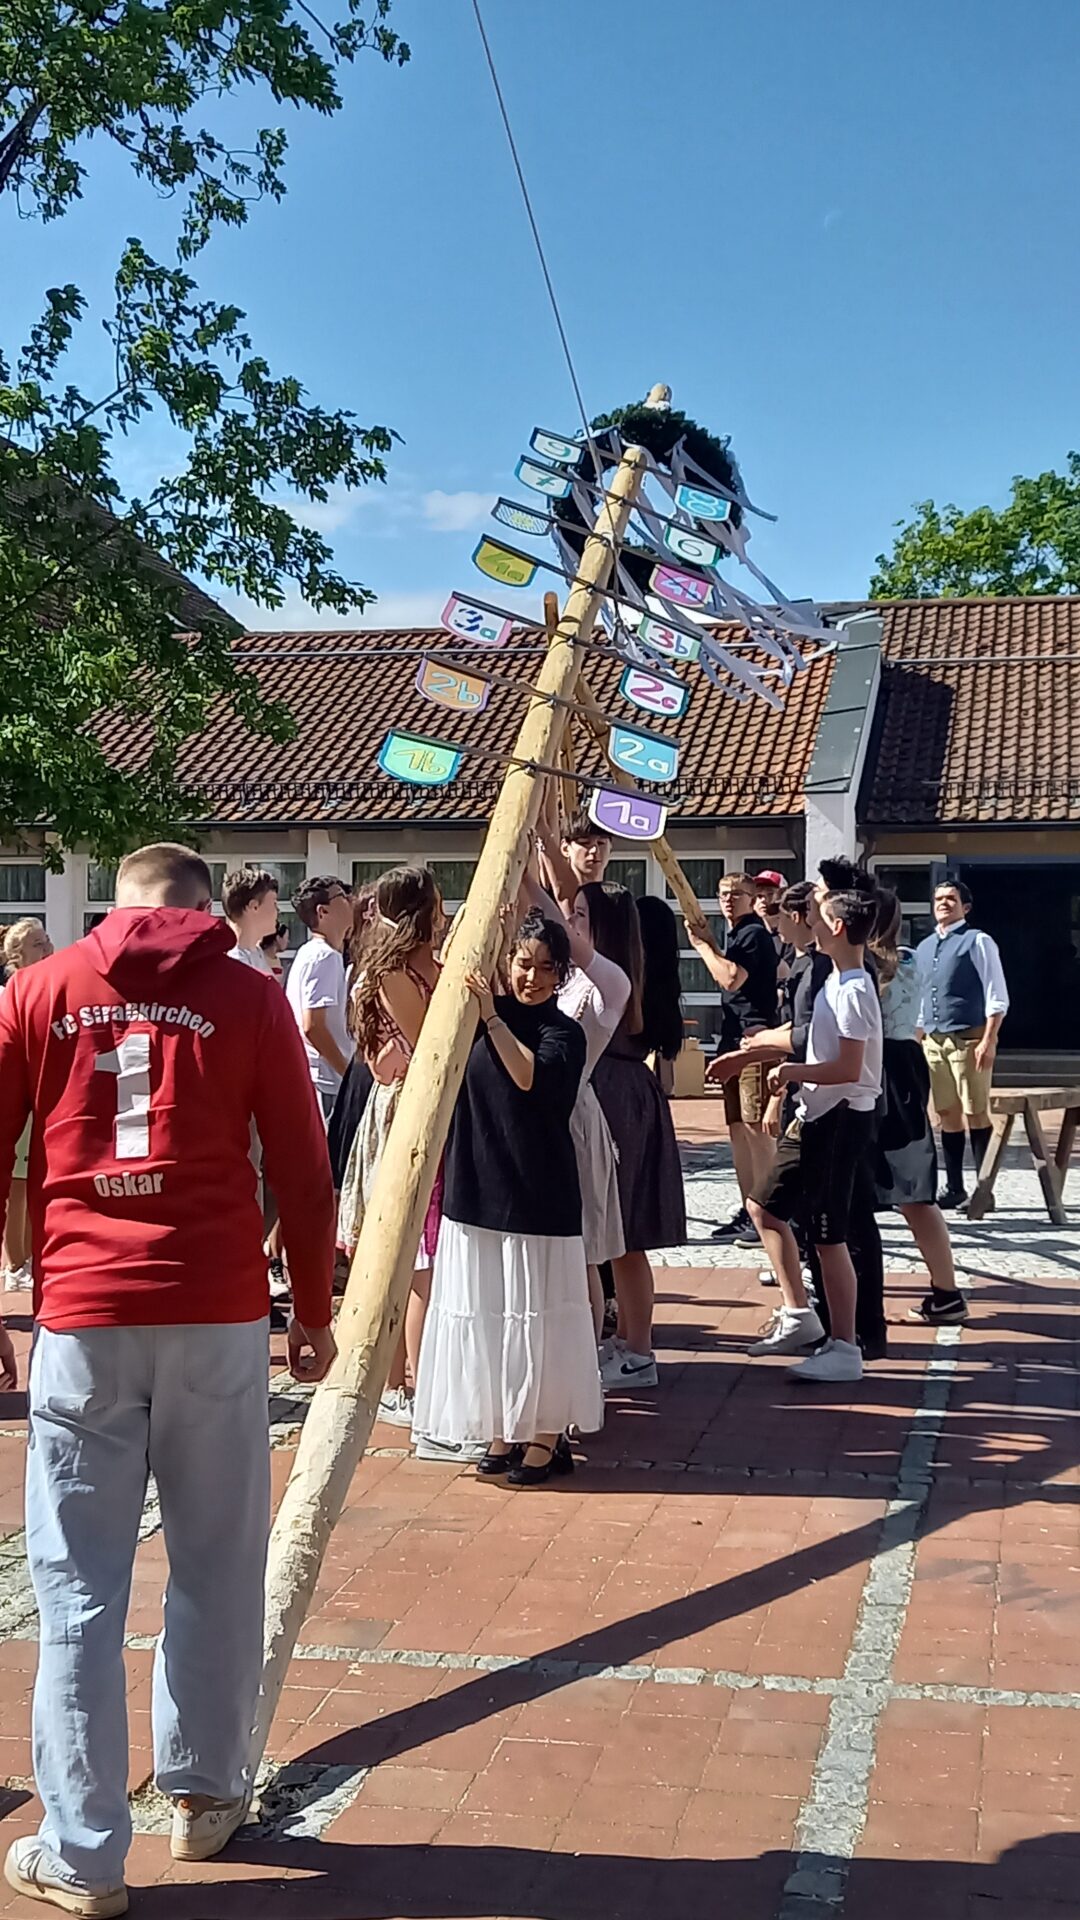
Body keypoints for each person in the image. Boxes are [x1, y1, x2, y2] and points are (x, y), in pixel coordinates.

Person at [0, 842, 336, 1917]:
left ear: (117, 904)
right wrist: (315, 1313)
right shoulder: (250, 995)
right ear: (205, 908)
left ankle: (86, 1850)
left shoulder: (38, 989)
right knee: (218, 1561)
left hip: (85, 1312)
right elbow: (300, 1156)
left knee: (78, 1588)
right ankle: (202, 1793)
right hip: (216, 1304)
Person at [412, 909, 601, 1484]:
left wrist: (493, 1014)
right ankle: (503, 1428)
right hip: (478, 1185)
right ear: (507, 962)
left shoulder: (562, 1033)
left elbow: (527, 1078)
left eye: (547, 967)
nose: (533, 977)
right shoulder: (471, 1017)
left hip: (537, 1194)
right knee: (492, 1317)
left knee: (540, 1317)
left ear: (561, 973)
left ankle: (547, 1436)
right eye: (523, 963)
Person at [337, 867, 444, 1434]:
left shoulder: (429, 961)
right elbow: (430, 1036)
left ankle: (405, 1378)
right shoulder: (391, 971)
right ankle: (407, 1384)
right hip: (404, 1105)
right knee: (412, 1250)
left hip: (432, 1100)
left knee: (424, 1251)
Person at [767, 888, 884, 1384]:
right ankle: (825, 1330)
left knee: (829, 1233)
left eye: (819, 916)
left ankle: (844, 1344)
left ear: (837, 928)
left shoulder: (855, 989)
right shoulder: (837, 980)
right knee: (783, 1210)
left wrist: (794, 1072)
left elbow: (851, 1068)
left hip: (841, 1118)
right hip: (821, 1115)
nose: (810, 921)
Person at [523, 862, 633, 1332]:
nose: (572, 921)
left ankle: (586, 1358)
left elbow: (565, 935)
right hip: (540, 1115)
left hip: (575, 1117)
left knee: (581, 1248)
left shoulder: (612, 983)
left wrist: (534, 875)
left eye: (583, 915)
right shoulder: (565, 978)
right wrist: (528, 876)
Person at [592, 893, 686, 1391]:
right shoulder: (650, 981)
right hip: (630, 1093)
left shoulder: (622, 979)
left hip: (616, 1096)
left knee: (623, 1232)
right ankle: (630, 1339)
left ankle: (639, 1349)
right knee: (623, 1235)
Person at [870, 895, 967, 1325]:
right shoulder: (911, 958)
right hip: (907, 1064)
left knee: (857, 1189)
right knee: (913, 1192)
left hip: (879, 1068)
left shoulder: (868, 967)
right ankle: (946, 1291)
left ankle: (840, 1293)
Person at [692, 874, 778, 1244]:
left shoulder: (753, 934)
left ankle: (772, 1209)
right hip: (733, 1040)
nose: (729, 900)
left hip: (753, 1041)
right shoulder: (736, 935)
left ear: (752, 898)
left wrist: (701, 947)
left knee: (757, 1130)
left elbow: (730, 978)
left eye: (737, 894)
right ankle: (751, 1210)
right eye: (724, 893)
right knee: (739, 1131)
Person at [915, 878, 1010, 1210]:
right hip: (935, 1041)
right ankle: (954, 1186)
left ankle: (985, 1189)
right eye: (939, 898)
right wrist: (919, 1032)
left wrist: (990, 1039)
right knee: (946, 1112)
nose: (943, 903)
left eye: (951, 899)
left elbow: (996, 993)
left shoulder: (978, 941)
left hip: (969, 1039)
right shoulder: (924, 947)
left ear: (965, 907)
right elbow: (922, 996)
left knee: (975, 1111)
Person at [0, 918, 53, 1289]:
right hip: (15, 1095)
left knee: (36, 1177)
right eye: (38, 943)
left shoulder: (51, 989)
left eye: (47, 940)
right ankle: (15, 1265)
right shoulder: (9, 994)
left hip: (43, 1097)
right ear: (18, 955)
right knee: (17, 1183)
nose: (47, 948)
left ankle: (30, 1259)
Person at [285, 875, 354, 1120]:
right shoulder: (325, 957)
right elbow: (313, 1026)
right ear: (323, 911)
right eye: (342, 897)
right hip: (327, 1081)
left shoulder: (312, 953)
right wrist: (348, 1075)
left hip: (321, 1079)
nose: (350, 901)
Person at [537, 797, 613, 916]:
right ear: (565, 848)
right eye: (584, 843)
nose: (594, 850)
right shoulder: (548, 890)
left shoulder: (616, 902)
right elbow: (546, 825)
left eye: (601, 843)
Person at [222, 866, 279, 970]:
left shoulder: (256, 953)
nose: (278, 910)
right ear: (254, 906)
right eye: (274, 903)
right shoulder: (235, 963)